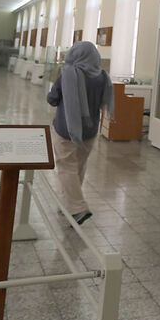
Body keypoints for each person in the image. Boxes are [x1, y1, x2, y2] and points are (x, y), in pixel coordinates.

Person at [46, 41, 114, 225]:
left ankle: (78, 208)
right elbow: (103, 102)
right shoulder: (102, 76)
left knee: (66, 167)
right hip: (90, 130)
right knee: (78, 167)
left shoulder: (68, 73)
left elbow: (52, 99)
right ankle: (67, 204)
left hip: (67, 129)